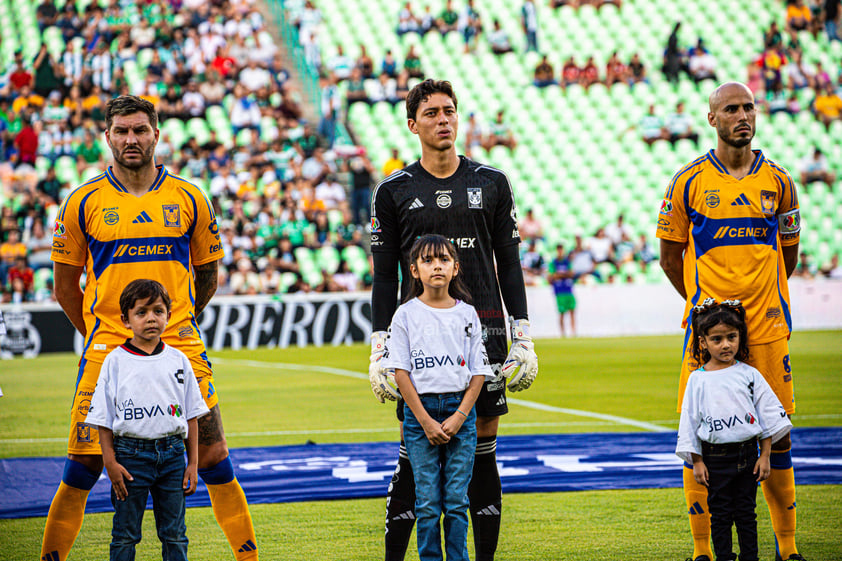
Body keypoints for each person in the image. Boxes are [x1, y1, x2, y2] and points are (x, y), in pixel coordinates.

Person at [43, 95, 260, 561]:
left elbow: (208, 275)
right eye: (121, 131)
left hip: (180, 344)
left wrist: (176, 322)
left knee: (214, 457)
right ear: (107, 138)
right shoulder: (83, 201)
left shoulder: (189, 196)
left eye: (140, 130)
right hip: (107, 348)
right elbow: (65, 287)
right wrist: (104, 334)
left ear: (156, 134)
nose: (131, 139)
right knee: (82, 464)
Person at [369, 79, 537, 561]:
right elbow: (384, 277)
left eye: (449, 111)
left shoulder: (491, 182)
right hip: (416, 340)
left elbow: (509, 263)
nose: (443, 120)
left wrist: (521, 334)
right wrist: (380, 344)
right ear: (412, 124)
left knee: (483, 446)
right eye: (432, 113)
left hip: (484, 336)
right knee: (415, 449)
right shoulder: (393, 191)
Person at [657, 82, 803, 561]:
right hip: (708, 336)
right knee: (698, 434)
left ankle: (788, 548)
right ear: (712, 118)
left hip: (767, 330)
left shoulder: (780, 182)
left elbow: (790, 253)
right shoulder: (687, 182)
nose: (743, 116)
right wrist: (708, 315)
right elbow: (669, 257)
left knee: (776, 434)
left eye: (749, 108)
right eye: (731, 109)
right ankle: (703, 551)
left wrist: (765, 301)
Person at [382, 234, 493, 561]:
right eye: (428, 261)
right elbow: (400, 372)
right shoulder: (405, 314)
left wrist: (459, 417)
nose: (437, 267)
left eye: (443, 260)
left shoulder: (467, 314)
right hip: (421, 415)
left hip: (461, 413)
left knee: (457, 502)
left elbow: (478, 371)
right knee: (428, 504)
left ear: (456, 267)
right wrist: (426, 421)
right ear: (414, 270)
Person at [86, 279, 210, 561]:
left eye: (158, 311)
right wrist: (110, 462)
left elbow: (191, 415)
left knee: (175, 535)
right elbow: (103, 418)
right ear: (125, 320)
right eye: (141, 312)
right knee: (125, 535)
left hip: (173, 456)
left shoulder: (179, 359)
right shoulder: (115, 361)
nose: (151, 318)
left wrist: (193, 463)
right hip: (130, 458)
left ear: (168, 314)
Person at [676, 299, 793, 561]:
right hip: (714, 459)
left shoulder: (749, 374)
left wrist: (764, 457)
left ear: (741, 337)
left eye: (732, 337)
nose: (726, 344)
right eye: (717, 339)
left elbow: (767, 419)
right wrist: (697, 462)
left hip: (748, 456)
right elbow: (689, 424)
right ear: (703, 342)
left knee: (746, 513)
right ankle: (725, 557)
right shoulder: (697, 380)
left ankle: (751, 557)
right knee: (719, 513)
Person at [548, 243, 576, 337]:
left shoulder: (567, 261)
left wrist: (560, 275)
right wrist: (565, 274)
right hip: (559, 291)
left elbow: (572, 273)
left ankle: (573, 332)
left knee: (572, 310)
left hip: (568, 290)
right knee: (562, 313)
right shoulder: (554, 262)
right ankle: (563, 333)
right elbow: (553, 276)